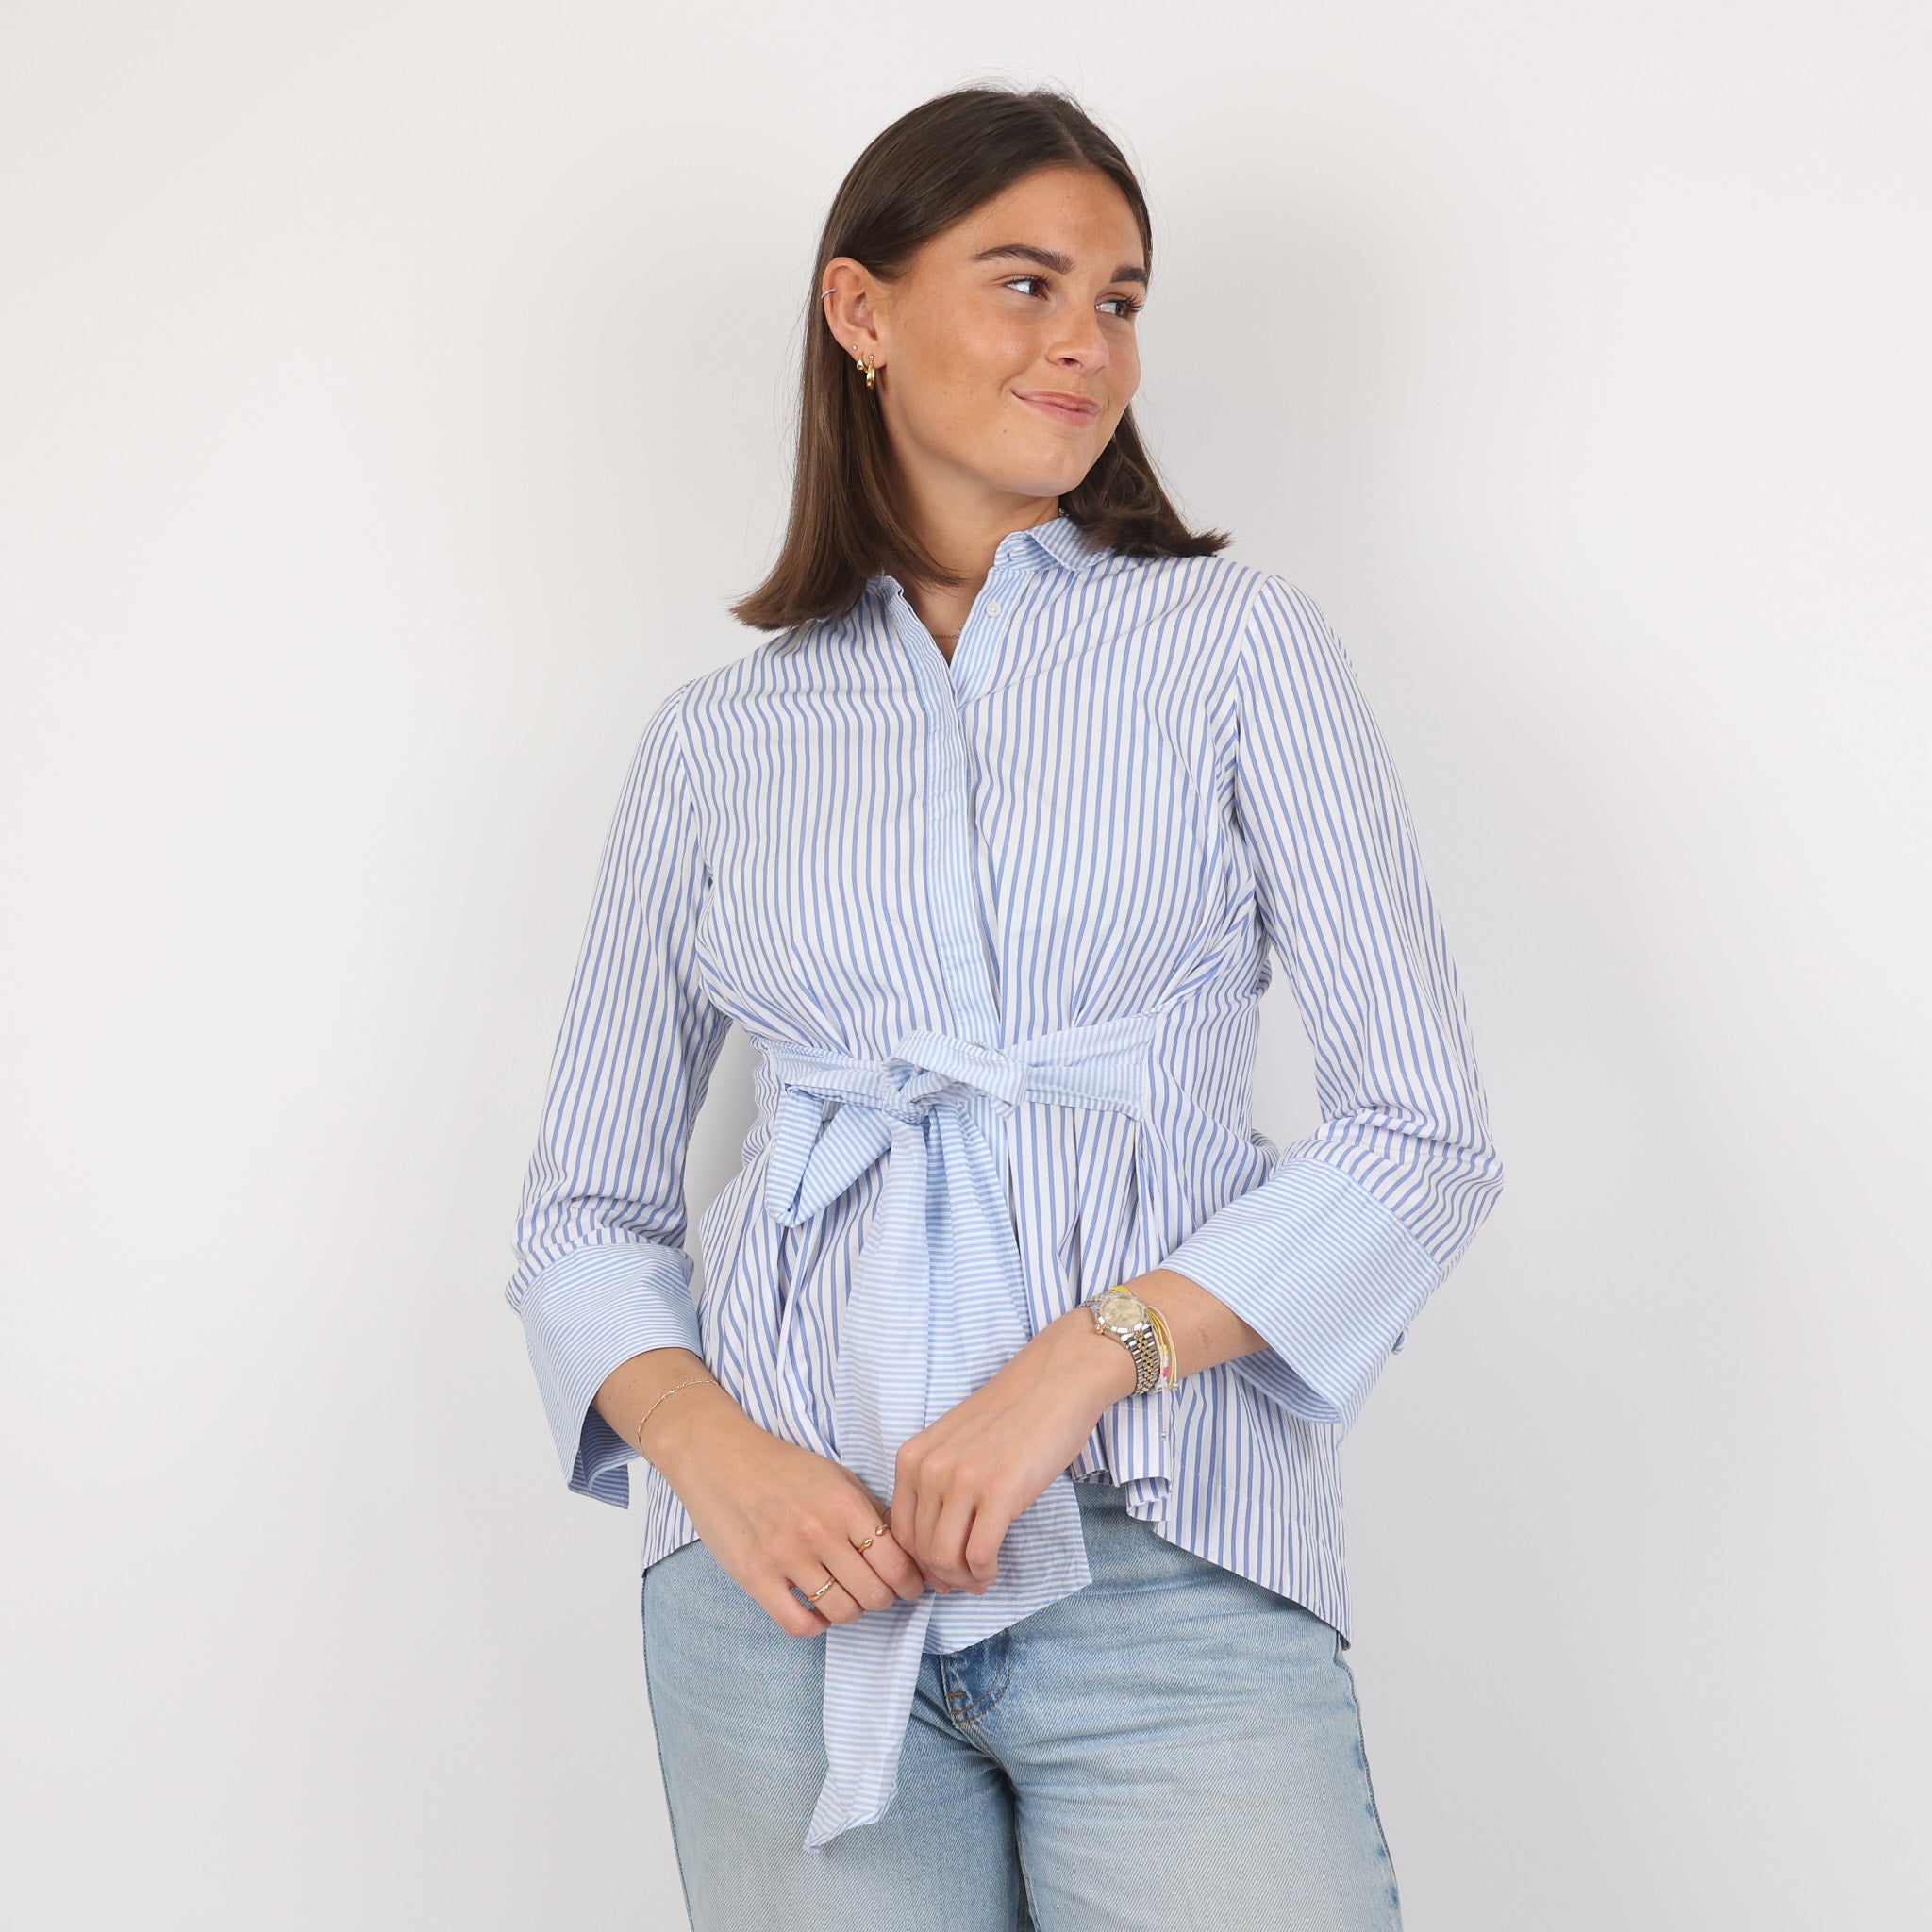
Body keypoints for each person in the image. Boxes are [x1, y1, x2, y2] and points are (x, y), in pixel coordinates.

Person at [505, 83, 1503, 1930]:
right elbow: (582, 1213)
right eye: (1026, 283)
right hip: (780, 1594)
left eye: (1120, 300)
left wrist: (1076, 1363)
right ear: (861, 310)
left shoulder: (1236, 649)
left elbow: (1419, 1136)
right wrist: (722, 1466)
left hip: (1165, 1553)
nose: (1085, 345)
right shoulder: (715, 745)